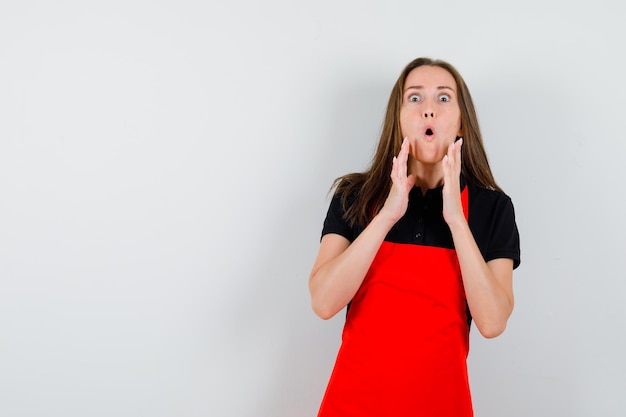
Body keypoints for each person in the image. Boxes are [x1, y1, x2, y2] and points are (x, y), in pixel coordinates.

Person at [308, 57, 521, 417]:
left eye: (443, 98)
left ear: (461, 121)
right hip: (353, 404)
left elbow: (493, 321)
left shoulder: (492, 208)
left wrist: (456, 219)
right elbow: (324, 302)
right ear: (399, 117)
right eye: (415, 98)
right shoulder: (354, 196)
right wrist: (387, 214)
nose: (428, 111)